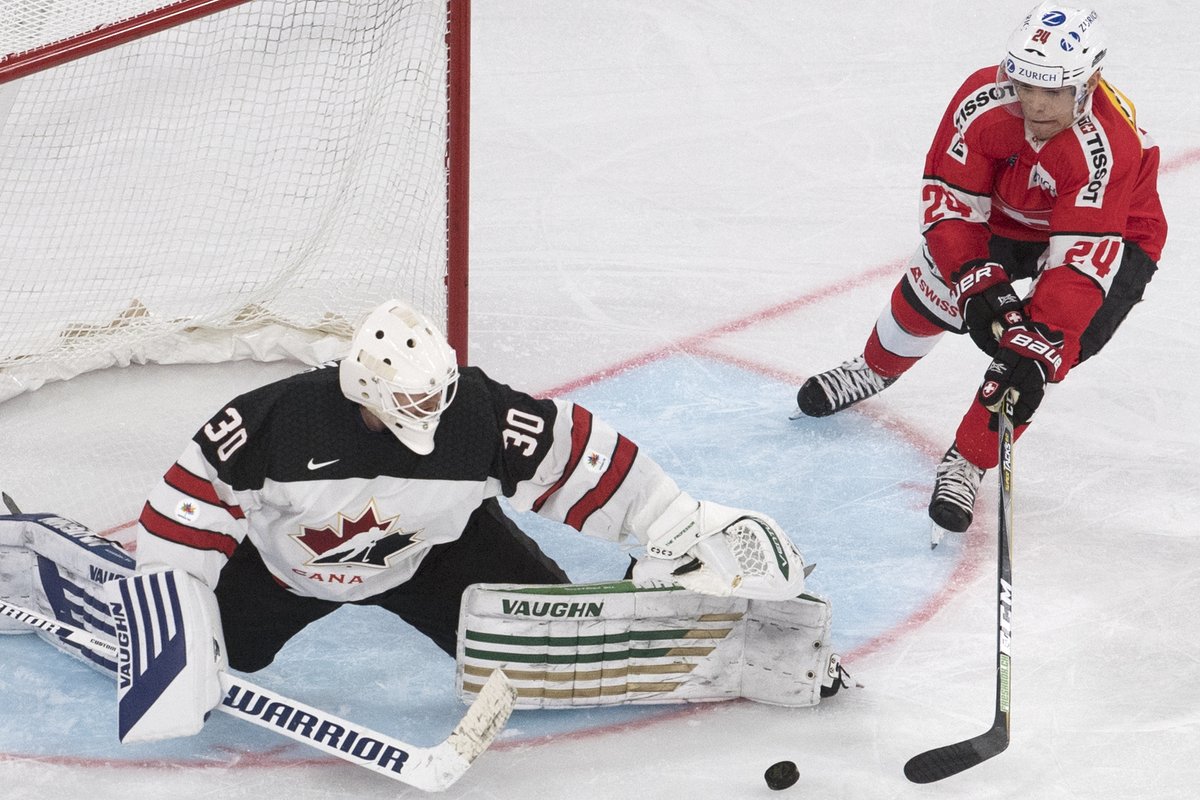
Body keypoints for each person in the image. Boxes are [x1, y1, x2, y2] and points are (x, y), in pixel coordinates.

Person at [110, 298, 828, 741]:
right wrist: (169, 613)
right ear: (369, 387)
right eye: (417, 400)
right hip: (285, 572)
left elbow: (574, 453)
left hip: (433, 555)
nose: (436, 409)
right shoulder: (276, 421)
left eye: (439, 392)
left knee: (538, 647)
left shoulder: (473, 413)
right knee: (224, 657)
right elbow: (189, 510)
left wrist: (670, 522)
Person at [792, 3, 1166, 536]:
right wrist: (976, 280)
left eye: (1053, 91)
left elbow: (1081, 263)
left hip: (1116, 231)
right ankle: (875, 367)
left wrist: (1039, 340)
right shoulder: (982, 100)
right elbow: (948, 204)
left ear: (1089, 82)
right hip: (1009, 208)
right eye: (1024, 83)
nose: (1034, 103)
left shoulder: (1107, 149)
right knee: (936, 284)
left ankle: (968, 459)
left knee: (1040, 358)